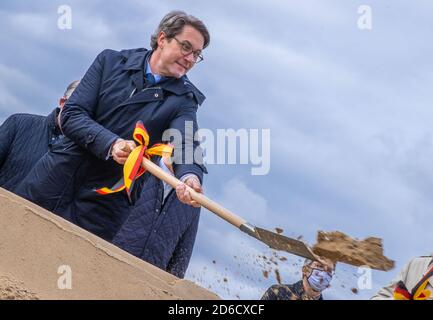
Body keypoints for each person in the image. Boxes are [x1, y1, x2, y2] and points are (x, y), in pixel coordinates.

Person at [15, 11, 210, 241]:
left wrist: (190, 177)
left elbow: (185, 143)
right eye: (185, 47)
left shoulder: (184, 101)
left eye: (196, 54)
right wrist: (112, 144)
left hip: (103, 208)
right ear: (162, 39)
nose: (189, 58)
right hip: (56, 178)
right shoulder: (110, 62)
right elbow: (72, 114)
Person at [112, 156, 201, 279]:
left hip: (148, 283)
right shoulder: (138, 164)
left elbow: (181, 258)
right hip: (109, 261)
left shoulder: (193, 199)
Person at [0, 80, 79, 191]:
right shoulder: (18, 124)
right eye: (79, 108)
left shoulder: (87, 155)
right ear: (63, 102)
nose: (82, 116)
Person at [261, 258, 335, 300]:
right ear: (305, 270)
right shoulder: (278, 292)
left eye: (329, 270)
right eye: (320, 266)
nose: (324, 273)